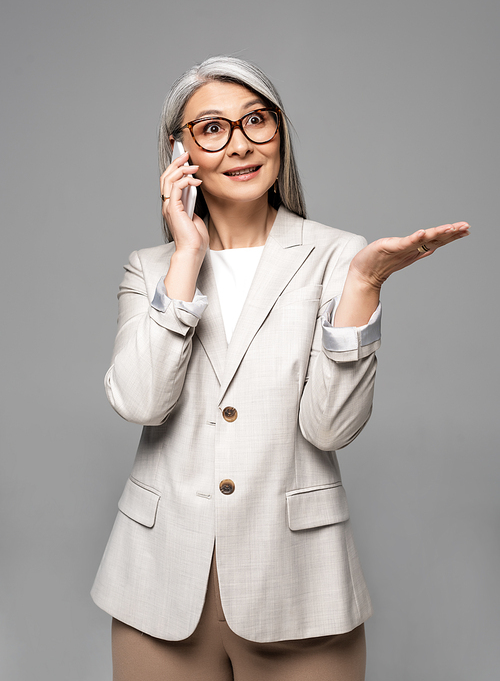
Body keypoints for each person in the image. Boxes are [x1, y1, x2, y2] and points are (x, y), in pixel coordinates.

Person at [91, 56, 469, 681]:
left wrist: (365, 285)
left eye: (256, 121)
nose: (239, 144)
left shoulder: (339, 256)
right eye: (211, 128)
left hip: (299, 584)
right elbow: (141, 401)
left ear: (280, 133)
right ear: (179, 149)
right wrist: (186, 253)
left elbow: (329, 428)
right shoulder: (149, 265)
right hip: (158, 585)